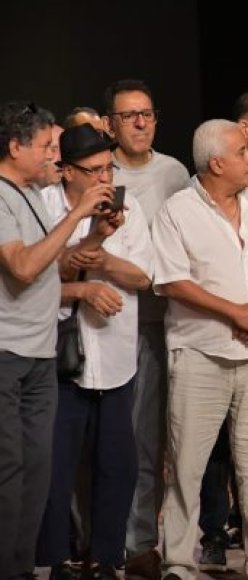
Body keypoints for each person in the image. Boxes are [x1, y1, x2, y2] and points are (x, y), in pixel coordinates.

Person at [151, 119, 248, 580]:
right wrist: (235, 312)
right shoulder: (177, 210)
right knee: (187, 467)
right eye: (242, 152)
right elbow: (172, 280)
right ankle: (177, 561)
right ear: (217, 162)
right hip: (199, 355)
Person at [0, 101, 112, 579]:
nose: (54, 157)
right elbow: (24, 267)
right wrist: (79, 212)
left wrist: (98, 234)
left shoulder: (25, 193)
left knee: (36, 472)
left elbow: (53, 261)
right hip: (6, 354)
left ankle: (21, 568)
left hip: (39, 352)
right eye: (47, 147)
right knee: (9, 474)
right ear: (15, 146)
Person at [35, 123, 153, 580]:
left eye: (109, 168)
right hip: (59, 354)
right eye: (93, 170)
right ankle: (56, 556)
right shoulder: (44, 207)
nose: (105, 178)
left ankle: (106, 557)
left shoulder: (129, 206)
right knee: (56, 464)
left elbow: (144, 276)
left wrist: (102, 261)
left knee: (117, 464)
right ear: (66, 171)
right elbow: (39, 277)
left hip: (116, 352)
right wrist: (88, 270)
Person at [100, 78, 191, 579]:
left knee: (151, 441)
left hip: (161, 321)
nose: (139, 123)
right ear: (110, 123)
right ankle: (101, 537)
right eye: (128, 115)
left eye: (147, 114)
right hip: (105, 317)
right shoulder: (99, 171)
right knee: (110, 437)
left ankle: (139, 542)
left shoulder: (174, 172)